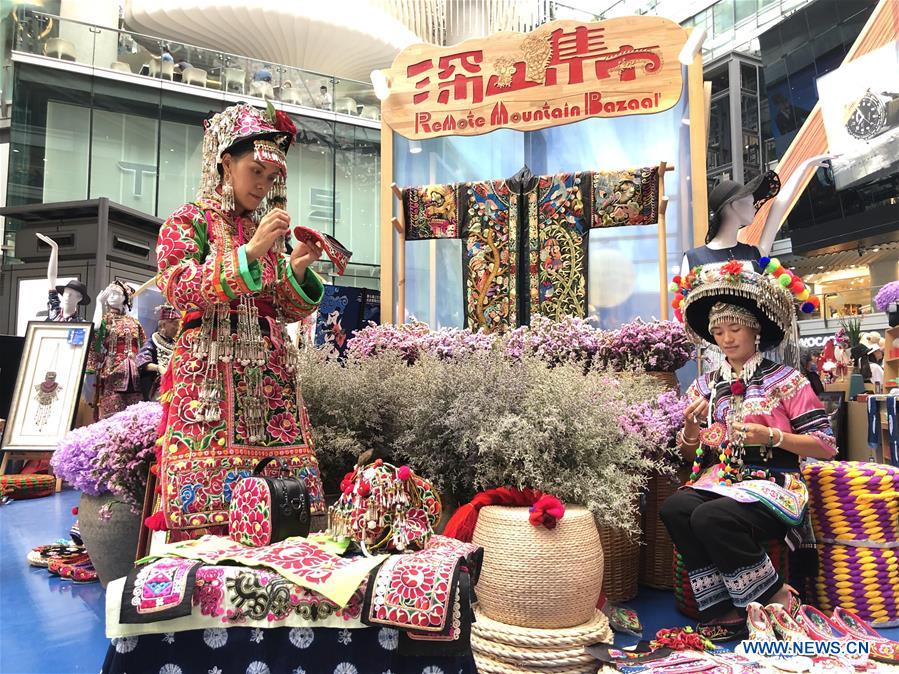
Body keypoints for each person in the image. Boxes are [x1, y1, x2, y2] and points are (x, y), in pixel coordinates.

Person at [145, 103, 326, 540]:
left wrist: (296, 269)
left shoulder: (263, 230)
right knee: (208, 511)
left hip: (270, 376)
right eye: (255, 171)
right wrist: (248, 253)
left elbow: (283, 307)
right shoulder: (189, 220)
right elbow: (178, 285)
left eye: (270, 177)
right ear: (226, 163)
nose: (262, 185)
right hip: (208, 372)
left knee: (286, 504)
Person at [661, 261, 836, 642]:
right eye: (718, 331)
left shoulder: (787, 380)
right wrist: (690, 428)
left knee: (711, 516)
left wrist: (772, 437)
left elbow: (825, 445)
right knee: (675, 507)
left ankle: (775, 596)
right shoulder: (704, 386)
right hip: (720, 479)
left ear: (755, 330)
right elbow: (691, 456)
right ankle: (722, 609)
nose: (726, 338)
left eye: (735, 328)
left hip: (775, 484)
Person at [87, 281, 145, 419]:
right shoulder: (106, 319)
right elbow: (95, 329)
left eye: (116, 293)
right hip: (112, 369)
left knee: (134, 415)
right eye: (110, 294)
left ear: (125, 297)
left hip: (134, 372)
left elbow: (143, 345)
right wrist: (98, 303)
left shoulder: (134, 322)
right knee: (112, 412)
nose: (112, 296)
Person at [35, 233, 91, 322]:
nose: (67, 296)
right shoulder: (54, 312)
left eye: (71, 294)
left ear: (79, 298)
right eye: (66, 293)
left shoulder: (80, 323)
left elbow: (94, 327)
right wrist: (55, 249)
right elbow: (51, 279)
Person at [136, 304, 180, 401]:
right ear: (164, 325)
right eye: (175, 324)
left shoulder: (176, 344)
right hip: (157, 386)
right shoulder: (152, 341)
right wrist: (158, 368)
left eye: (178, 324)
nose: (177, 328)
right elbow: (142, 362)